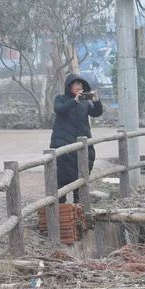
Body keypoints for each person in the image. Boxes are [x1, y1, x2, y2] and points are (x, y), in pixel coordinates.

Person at [51, 73, 103, 203]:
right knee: (62, 178)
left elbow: (97, 113)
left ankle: (79, 210)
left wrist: (96, 100)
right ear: (69, 86)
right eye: (75, 84)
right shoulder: (61, 99)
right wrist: (75, 101)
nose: (78, 86)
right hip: (63, 145)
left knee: (81, 176)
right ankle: (61, 210)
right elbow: (60, 109)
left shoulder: (85, 103)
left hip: (82, 145)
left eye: (80, 84)